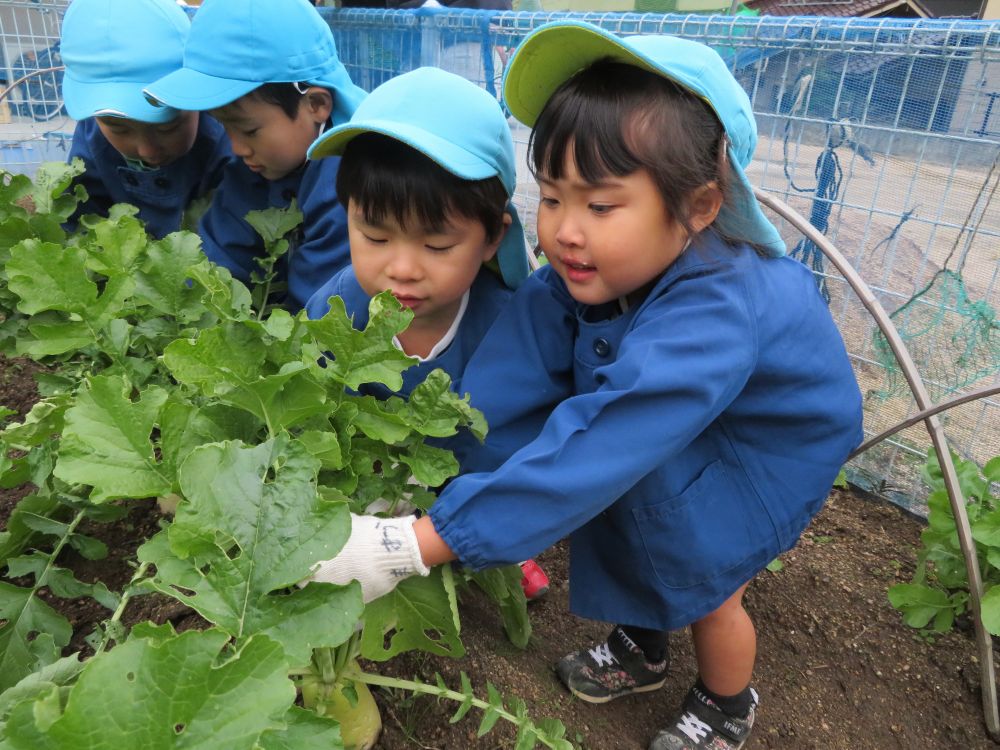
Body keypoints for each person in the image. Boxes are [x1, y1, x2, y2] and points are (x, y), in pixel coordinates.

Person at [302, 20, 864, 750]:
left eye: (600, 206)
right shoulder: (590, 270)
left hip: (759, 446)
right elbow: (510, 373)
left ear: (698, 207)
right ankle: (643, 648)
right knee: (634, 508)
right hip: (663, 415)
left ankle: (727, 702)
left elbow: (607, 436)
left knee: (705, 570)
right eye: (555, 197)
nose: (565, 230)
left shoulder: (720, 309)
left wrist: (419, 544)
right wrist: (426, 474)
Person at [304, 66, 549, 600]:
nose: (403, 268)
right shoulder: (335, 309)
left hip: (472, 484)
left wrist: (455, 519)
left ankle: (500, 547)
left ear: (491, 238)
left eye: (436, 247)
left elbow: (509, 440)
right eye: (374, 236)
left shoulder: (512, 320)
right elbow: (315, 411)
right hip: (376, 483)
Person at [143, 0, 366, 310]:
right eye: (225, 127)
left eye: (249, 131)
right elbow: (221, 257)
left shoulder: (352, 178)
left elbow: (323, 312)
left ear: (316, 105)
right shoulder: (258, 166)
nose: (237, 148)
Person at [60, 0, 231, 239]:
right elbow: (77, 223)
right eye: (119, 130)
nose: (148, 151)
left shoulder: (226, 138)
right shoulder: (92, 135)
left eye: (167, 127)